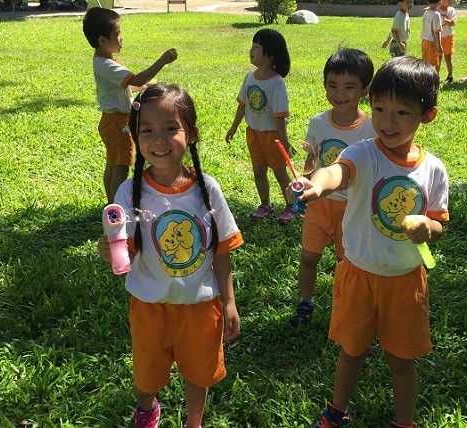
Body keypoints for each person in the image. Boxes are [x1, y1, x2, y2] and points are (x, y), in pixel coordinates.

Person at [289, 56, 449, 428]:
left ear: (427, 115)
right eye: (379, 109)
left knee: (401, 360)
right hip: (357, 274)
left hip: (405, 281)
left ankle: (404, 422)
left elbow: (439, 222)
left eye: (402, 113)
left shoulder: (434, 169)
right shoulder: (363, 152)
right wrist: (316, 184)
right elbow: (337, 172)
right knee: (351, 352)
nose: (387, 122)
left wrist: (428, 227)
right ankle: (336, 413)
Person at [97, 83, 243, 428]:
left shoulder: (207, 189)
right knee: (146, 375)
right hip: (150, 306)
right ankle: (147, 409)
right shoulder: (129, 191)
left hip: (200, 305)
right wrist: (111, 251)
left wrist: (229, 302)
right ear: (136, 137)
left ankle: (194, 421)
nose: (158, 140)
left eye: (170, 128)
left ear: (190, 134)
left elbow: (222, 250)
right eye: (147, 130)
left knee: (199, 372)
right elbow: (123, 248)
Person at [289, 48, 376, 327]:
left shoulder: (372, 129)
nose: (339, 93)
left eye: (349, 87)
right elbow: (312, 159)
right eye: (332, 85)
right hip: (319, 204)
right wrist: (303, 178)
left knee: (346, 263)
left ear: (365, 89)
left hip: (353, 208)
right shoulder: (317, 123)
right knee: (308, 257)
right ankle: (305, 301)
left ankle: (347, 306)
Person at [83, 7, 178, 205]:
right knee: (121, 167)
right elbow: (138, 78)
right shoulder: (107, 65)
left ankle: (111, 205)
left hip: (111, 121)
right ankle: (117, 210)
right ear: (103, 40)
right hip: (118, 123)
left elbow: (126, 86)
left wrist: (144, 87)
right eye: (117, 33)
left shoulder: (103, 61)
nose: (121, 37)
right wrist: (163, 60)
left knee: (113, 163)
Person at [225, 29, 297, 225]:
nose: (251, 50)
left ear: (270, 55)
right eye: (252, 46)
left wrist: (284, 141)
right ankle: (265, 204)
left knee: (280, 173)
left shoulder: (276, 83)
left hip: (272, 136)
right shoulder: (250, 77)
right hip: (253, 134)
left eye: (257, 47)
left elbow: (280, 116)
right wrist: (233, 127)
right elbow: (242, 104)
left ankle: (292, 205)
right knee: (258, 171)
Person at [421, 0, 444, 72]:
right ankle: (432, 77)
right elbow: (436, 32)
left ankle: (426, 76)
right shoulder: (436, 14)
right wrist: (439, 46)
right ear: (440, 2)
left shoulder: (426, 12)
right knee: (432, 64)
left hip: (424, 41)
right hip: (432, 43)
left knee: (425, 63)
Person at [439, 0, 457, 82]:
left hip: (448, 37)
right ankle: (436, 74)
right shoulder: (437, 10)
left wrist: (445, 20)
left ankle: (450, 75)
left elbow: (453, 23)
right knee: (438, 57)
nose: (450, 1)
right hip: (438, 37)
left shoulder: (451, 10)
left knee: (448, 57)